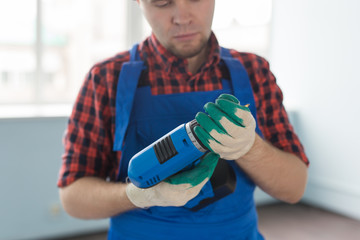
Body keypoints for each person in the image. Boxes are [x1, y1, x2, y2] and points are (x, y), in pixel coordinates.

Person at [58, 0, 309, 239]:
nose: (183, 18)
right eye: (162, 3)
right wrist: (137, 195)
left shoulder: (255, 72)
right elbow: (73, 198)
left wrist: (249, 148)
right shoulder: (105, 79)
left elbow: (294, 187)